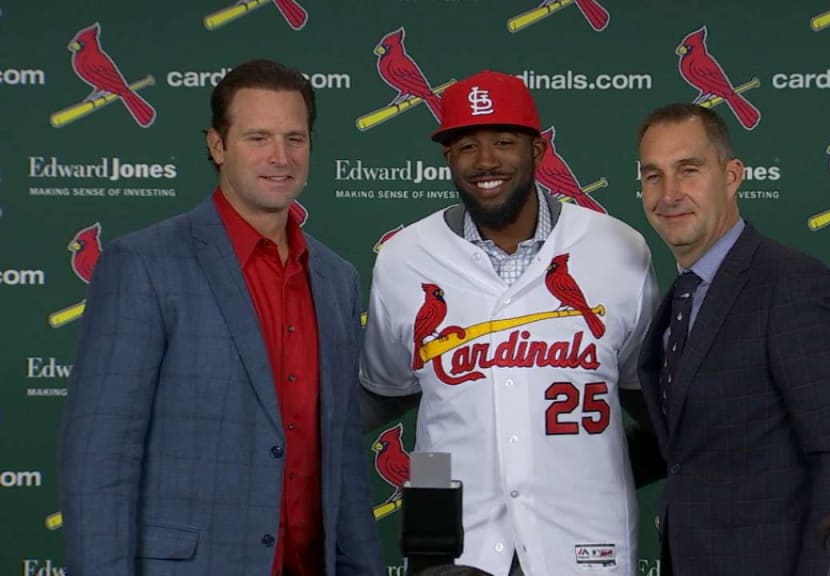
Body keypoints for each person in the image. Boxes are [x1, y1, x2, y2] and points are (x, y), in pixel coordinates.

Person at [59, 59, 384, 576]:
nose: (280, 157)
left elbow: (340, 454)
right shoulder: (143, 265)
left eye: (294, 138)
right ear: (218, 145)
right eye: (258, 137)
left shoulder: (335, 278)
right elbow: (100, 458)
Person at [360, 70, 658, 576]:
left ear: (538, 151)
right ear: (447, 158)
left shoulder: (619, 250)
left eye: (503, 141)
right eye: (466, 145)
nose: (486, 161)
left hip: (584, 543)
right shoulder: (403, 259)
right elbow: (384, 389)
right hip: (455, 546)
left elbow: (647, 394)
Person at [635, 102, 830, 575]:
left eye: (689, 170)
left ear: (731, 176)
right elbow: (687, 447)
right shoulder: (680, 298)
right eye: (653, 176)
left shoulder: (790, 284)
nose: (669, 193)